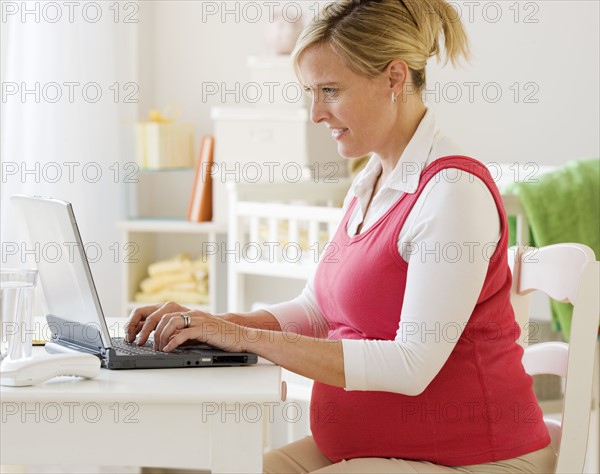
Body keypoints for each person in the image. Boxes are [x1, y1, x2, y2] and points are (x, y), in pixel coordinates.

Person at [126, 1, 556, 472]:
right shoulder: (372, 178)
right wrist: (209, 325)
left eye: (330, 90)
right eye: (310, 92)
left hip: (469, 459)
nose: (315, 114)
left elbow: (411, 364)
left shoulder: (452, 192)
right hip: (366, 450)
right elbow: (316, 310)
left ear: (394, 79)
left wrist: (242, 336)